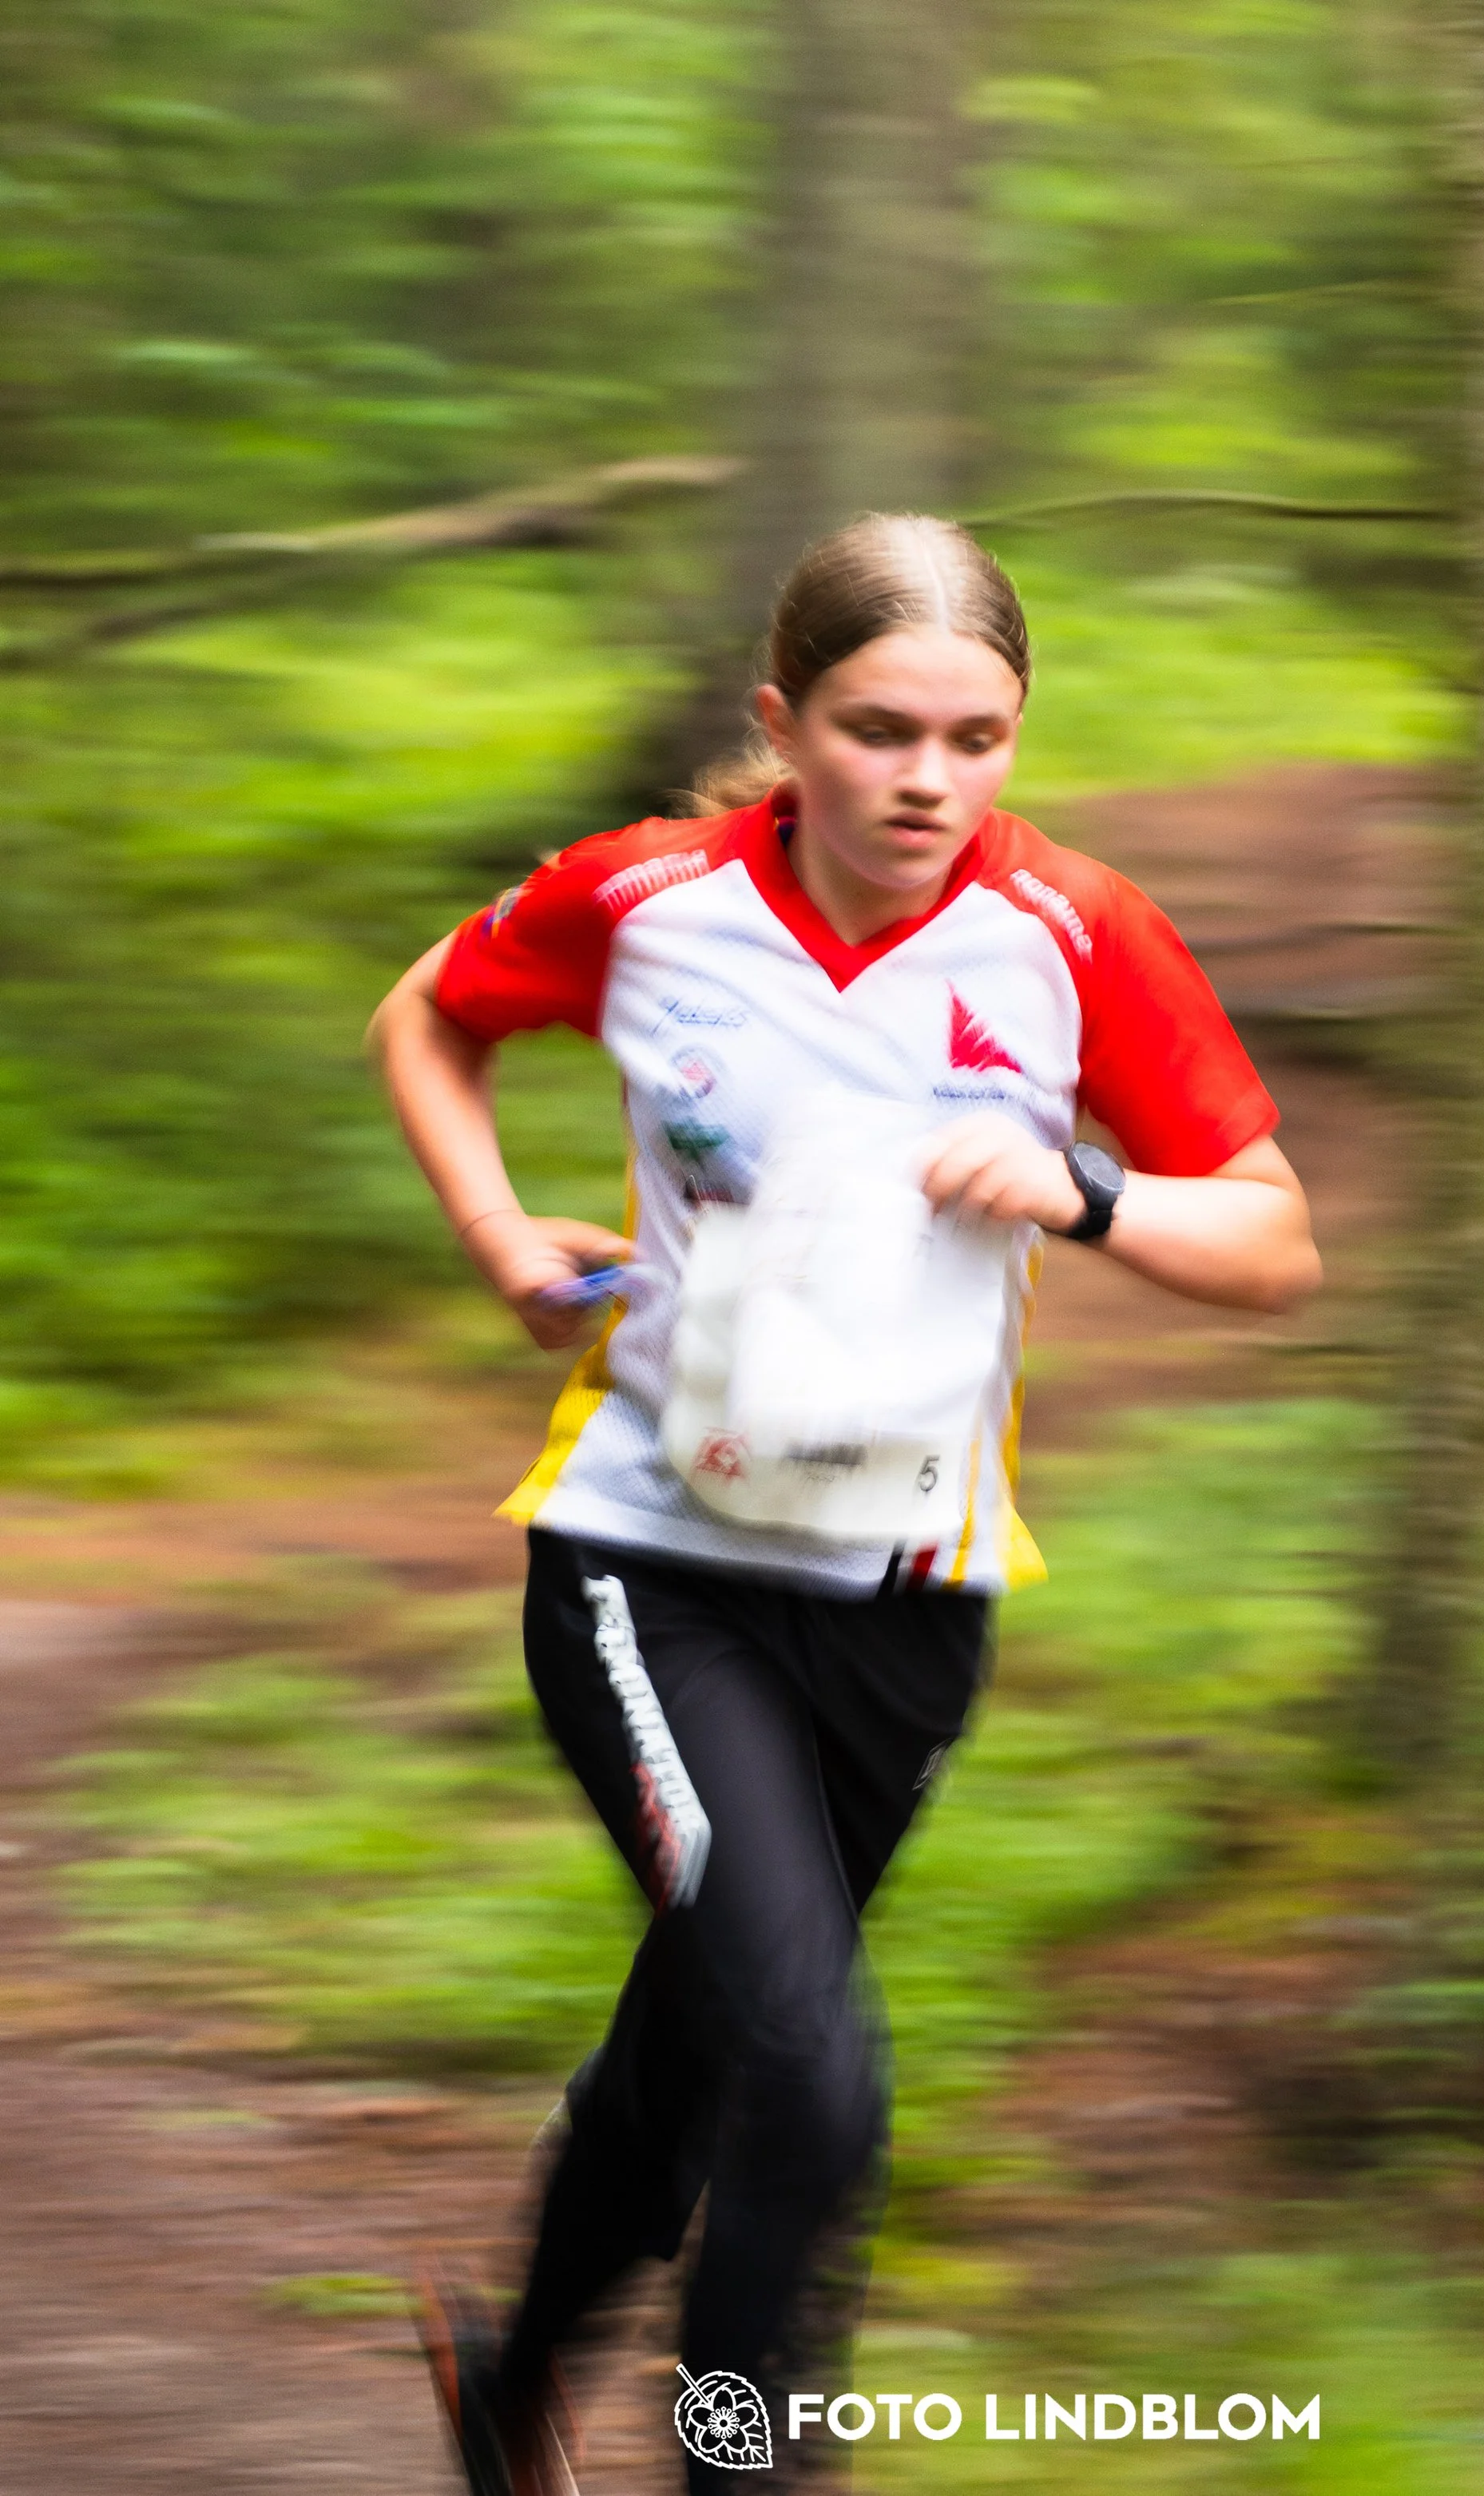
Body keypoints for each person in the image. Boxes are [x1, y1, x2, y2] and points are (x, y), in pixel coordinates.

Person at [371, 513, 1320, 2494]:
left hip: (906, 1588)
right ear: (779, 722)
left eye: (975, 736)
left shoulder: (1073, 933)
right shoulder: (647, 900)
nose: (927, 780)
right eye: (880, 729)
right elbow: (430, 1015)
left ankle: (510, 2384)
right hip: (647, 1558)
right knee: (816, 2071)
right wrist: (491, 1228)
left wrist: (1085, 1189)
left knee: (717, 2033)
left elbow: (1272, 1242)